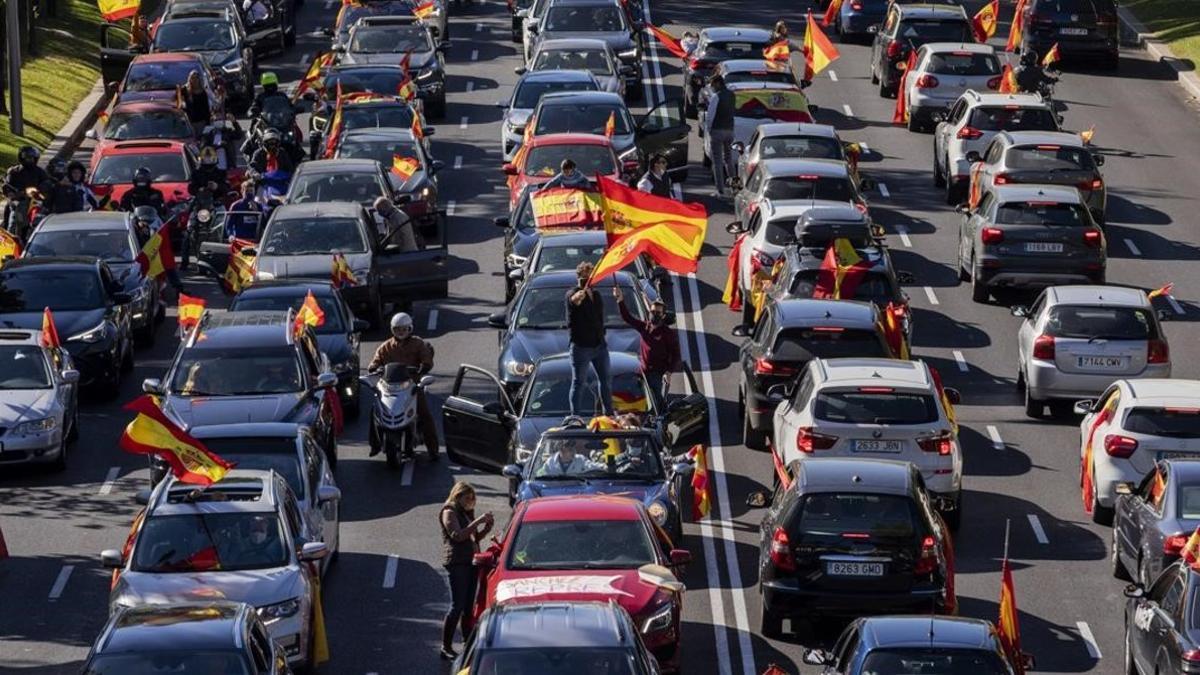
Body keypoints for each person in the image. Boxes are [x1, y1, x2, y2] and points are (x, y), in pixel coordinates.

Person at [367, 313, 440, 456]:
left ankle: (433, 449)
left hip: (411, 386)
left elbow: (427, 359)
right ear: (392, 330)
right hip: (390, 387)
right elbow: (375, 362)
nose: (401, 332)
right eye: (397, 329)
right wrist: (374, 368)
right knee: (375, 412)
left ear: (410, 328)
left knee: (424, 414)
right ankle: (375, 445)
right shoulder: (385, 347)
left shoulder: (418, 343)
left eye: (404, 329)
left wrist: (424, 366)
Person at [439, 482, 493, 660]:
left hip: (470, 561)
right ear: (458, 495)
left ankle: (467, 643)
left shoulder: (465, 513)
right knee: (457, 605)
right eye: (467, 498)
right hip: (457, 563)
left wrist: (486, 528)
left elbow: (473, 537)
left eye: (472, 498)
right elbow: (458, 535)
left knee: (468, 607)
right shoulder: (449, 511)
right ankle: (446, 646)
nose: (470, 501)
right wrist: (478, 521)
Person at [613, 286, 681, 399]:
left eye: (658, 313)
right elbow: (627, 318)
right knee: (639, 398)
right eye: (653, 312)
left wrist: (668, 372)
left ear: (663, 315)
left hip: (657, 374)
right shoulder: (644, 327)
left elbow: (676, 354)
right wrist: (620, 300)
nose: (655, 314)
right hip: (643, 373)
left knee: (656, 399)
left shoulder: (668, 334)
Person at [566, 261, 614, 417]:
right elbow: (574, 300)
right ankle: (575, 416)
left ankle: (609, 413)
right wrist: (578, 295)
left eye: (590, 277)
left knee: (606, 380)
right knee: (578, 382)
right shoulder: (572, 294)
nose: (587, 281)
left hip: (599, 345)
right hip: (581, 347)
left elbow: (599, 318)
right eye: (584, 278)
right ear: (578, 278)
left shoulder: (597, 295)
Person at [703, 74, 736, 197]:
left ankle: (720, 190)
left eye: (712, 85)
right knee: (729, 159)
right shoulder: (732, 95)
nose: (712, 88)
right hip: (729, 130)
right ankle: (735, 188)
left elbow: (710, 116)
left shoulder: (716, 97)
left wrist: (709, 130)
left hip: (717, 131)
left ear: (718, 83)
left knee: (717, 161)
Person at [181, 71, 212, 136]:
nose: (194, 80)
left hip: (201, 122)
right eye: (192, 78)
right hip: (189, 122)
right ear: (189, 79)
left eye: (196, 78)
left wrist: (208, 123)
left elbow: (206, 108)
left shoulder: (203, 92)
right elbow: (178, 101)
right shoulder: (185, 90)